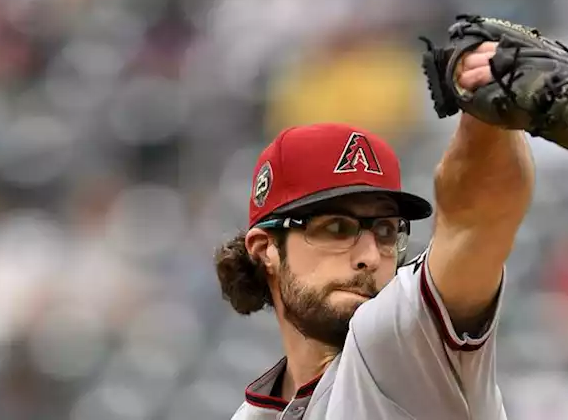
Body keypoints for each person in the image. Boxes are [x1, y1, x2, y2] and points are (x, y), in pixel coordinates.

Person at [215, 41, 535, 419]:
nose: (369, 256)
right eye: (336, 228)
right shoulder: (252, 415)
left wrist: (489, 109)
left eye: (384, 232)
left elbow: (477, 218)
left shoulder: (401, 341)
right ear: (265, 248)